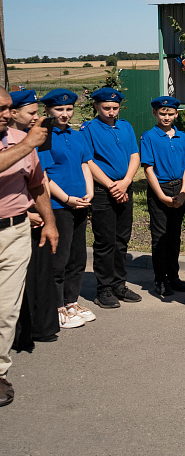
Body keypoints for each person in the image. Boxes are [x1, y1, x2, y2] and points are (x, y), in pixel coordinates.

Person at [0, 88, 58, 408]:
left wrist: (49, 223)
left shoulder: (22, 139)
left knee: (7, 309)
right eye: (0, 108)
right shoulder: (26, 141)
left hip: (15, 231)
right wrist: (26, 144)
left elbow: (36, 184)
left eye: (8, 108)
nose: (6, 114)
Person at [37, 89, 96, 332]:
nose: (64, 114)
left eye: (69, 109)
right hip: (59, 205)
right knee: (59, 257)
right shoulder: (44, 137)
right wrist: (67, 198)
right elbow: (43, 176)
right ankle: (57, 304)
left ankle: (72, 301)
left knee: (77, 255)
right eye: (59, 109)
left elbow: (85, 163)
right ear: (48, 110)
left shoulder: (76, 134)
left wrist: (89, 191)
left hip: (80, 202)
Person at [81, 87, 141, 309]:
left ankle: (119, 284)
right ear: (97, 107)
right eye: (106, 108)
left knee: (121, 240)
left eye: (115, 108)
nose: (111, 112)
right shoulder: (88, 129)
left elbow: (135, 155)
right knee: (105, 241)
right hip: (103, 191)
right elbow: (88, 161)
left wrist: (125, 183)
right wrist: (111, 185)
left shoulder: (125, 126)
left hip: (125, 187)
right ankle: (103, 289)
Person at [11, 90, 62, 346]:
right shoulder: (15, 142)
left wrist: (45, 216)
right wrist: (25, 212)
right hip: (18, 219)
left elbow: (39, 179)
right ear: (13, 113)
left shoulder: (37, 137)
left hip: (37, 215)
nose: (36, 117)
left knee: (40, 274)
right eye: (31, 113)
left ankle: (41, 326)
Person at [140, 96, 185, 297]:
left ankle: (174, 276)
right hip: (159, 189)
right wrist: (161, 196)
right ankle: (160, 279)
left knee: (174, 236)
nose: (166, 117)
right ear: (155, 113)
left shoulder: (183, 137)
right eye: (162, 113)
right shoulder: (149, 137)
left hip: (178, 189)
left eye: (170, 113)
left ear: (176, 114)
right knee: (160, 237)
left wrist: (183, 192)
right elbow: (148, 168)